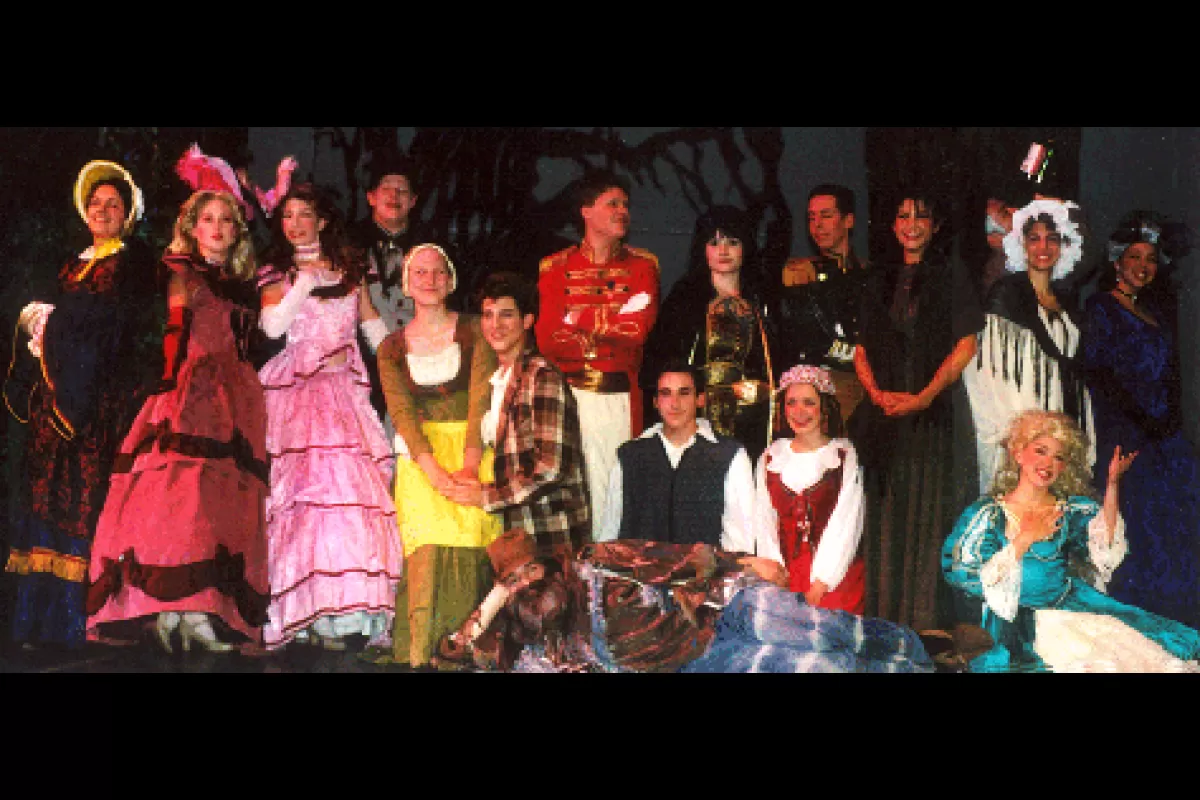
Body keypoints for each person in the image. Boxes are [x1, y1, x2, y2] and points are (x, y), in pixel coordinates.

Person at [86, 187, 268, 653]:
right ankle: (173, 609)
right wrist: (169, 390)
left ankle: (201, 611)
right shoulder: (181, 271)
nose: (217, 228)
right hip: (192, 390)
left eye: (226, 220)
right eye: (208, 219)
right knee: (180, 502)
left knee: (218, 507)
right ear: (192, 228)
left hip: (238, 398)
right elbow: (172, 331)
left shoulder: (244, 284)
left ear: (237, 232)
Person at [3, 160, 158, 649]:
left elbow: (114, 325)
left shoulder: (132, 266)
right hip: (56, 396)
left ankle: (76, 623)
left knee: (84, 499)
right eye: (96, 204)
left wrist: (56, 320)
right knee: (44, 498)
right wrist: (36, 320)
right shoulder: (70, 263)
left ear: (127, 213)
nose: (103, 211)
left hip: (99, 402)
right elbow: (56, 313)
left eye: (113, 205)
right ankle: (33, 622)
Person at [435, 529, 934, 674]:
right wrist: (496, 598)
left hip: (722, 606)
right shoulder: (529, 648)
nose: (526, 584)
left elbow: (670, 557)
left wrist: (740, 560)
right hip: (698, 661)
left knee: (824, 632)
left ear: (548, 564)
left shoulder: (595, 563)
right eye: (512, 581)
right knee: (820, 668)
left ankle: (917, 647)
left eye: (530, 571)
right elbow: (451, 653)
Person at [256, 182, 401, 651]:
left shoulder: (351, 268)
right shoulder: (276, 271)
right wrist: (305, 279)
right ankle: (305, 613)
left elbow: (372, 325)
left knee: (350, 498)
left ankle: (347, 614)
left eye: (305, 214)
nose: (295, 224)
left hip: (343, 394)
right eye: (288, 216)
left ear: (322, 221)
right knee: (304, 502)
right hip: (298, 395)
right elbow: (273, 327)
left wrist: (405, 364)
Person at [943, 409, 1200, 672]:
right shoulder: (988, 513)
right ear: (1018, 453)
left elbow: (1104, 545)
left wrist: (1113, 484)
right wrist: (1025, 538)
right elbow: (965, 574)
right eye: (1040, 451)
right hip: (1016, 622)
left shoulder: (1068, 510)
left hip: (1069, 606)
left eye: (1059, 457)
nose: (1048, 463)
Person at [851, 189, 983, 631]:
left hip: (933, 415)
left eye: (921, 216)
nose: (912, 225)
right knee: (886, 518)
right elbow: (861, 348)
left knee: (928, 520)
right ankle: (883, 627)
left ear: (936, 225)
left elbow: (967, 345)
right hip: (886, 417)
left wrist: (924, 397)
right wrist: (876, 394)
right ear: (892, 225)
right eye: (903, 216)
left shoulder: (952, 274)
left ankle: (926, 631)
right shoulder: (878, 278)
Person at [372, 243, 502, 669]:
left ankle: (466, 647)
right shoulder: (391, 348)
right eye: (420, 273)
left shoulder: (474, 331)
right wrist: (433, 473)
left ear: (451, 281)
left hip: (471, 445)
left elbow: (480, 398)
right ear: (407, 284)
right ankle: (421, 650)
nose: (429, 280)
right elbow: (402, 414)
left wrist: (468, 467)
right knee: (425, 542)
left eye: (438, 272)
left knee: (471, 536)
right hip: (420, 457)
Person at [1080, 211, 1200, 628]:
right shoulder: (1101, 307)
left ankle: (1176, 620)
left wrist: (1167, 423)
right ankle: (1136, 623)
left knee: (1177, 522)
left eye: (1150, 259)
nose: (1143, 266)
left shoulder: (1154, 313)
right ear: (1117, 262)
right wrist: (1141, 421)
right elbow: (1098, 373)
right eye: (1134, 257)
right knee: (1139, 523)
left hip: (1164, 435)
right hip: (1127, 431)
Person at [535, 170, 660, 528]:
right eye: (613, 204)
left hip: (617, 397)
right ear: (586, 211)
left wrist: (576, 318)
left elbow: (636, 331)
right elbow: (549, 339)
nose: (623, 212)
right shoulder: (555, 266)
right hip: (569, 398)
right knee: (569, 493)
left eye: (626, 205)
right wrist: (610, 322)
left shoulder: (643, 266)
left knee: (615, 493)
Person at [440, 271, 590, 570]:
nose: (495, 325)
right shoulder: (498, 380)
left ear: (527, 320)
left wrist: (485, 496)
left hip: (550, 537)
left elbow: (550, 469)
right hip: (519, 536)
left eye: (506, 315)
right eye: (488, 315)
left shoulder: (541, 376)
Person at [962, 197, 1094, 494]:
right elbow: (987, 376)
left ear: (1063, 245)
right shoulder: (1006, 295)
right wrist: (1020, 436)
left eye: (1052, 239)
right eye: (1034, 239)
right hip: (1024, 433)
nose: (1043, 247)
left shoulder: (1067, 303)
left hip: (1063, 429)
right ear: (1022, 244)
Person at [595, 362, 773, 576]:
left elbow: (739, 540)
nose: (675, 403)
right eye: (666, 393)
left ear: (700, 399)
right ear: (656, 402)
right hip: (641, 586)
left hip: (703, 586)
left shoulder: (729, 455)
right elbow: (611, 532)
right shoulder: (629, 455)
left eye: (684, 393)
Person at [639, 205, 777, 463]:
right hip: (698, 414)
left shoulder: (763, 299)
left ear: (746, 247)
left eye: (732, 242)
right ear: (703, 249)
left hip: (755, 419)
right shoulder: (684, 298)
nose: (723, 251)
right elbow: (661, 360)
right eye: (714, 243)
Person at [753, 363, 865, 614]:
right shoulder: (770, 457)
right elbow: (763, 520)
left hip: (835, 575)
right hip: (784, 575)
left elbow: (847, 520)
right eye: (791, 403)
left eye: (809, 403)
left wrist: (822, 581)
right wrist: (776, 575)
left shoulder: (843, 455)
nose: (799, 412)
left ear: (824, 408)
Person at [347, 150, 431, 436]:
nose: (394, 196)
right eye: (386, 189)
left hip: (416, 361)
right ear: (371, 197)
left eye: (402, 190)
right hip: (361, 364)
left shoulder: (431, 246)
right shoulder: (348, 243)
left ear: (414, 201)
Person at [777, 183, 869, 426]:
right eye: (811, 217)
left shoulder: (870, 275)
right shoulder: (798, 273)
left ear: (849, 220)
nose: (817, 225)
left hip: (866, 384)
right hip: (819, 385)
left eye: (826, 216)